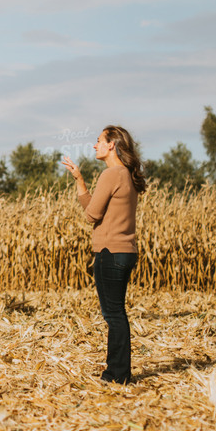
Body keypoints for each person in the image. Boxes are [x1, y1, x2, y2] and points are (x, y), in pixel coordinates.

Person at [62, 125, 147, 385]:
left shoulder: (111, 175)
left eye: (99, 140)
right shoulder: (126, 175)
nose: (94, 145)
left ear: (111, 145)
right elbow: (97, 210)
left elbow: (91, 215)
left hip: (109, 251)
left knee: (113, 315)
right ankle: (117, 371)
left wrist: (82, 186)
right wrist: (80, 182)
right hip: (126, 251)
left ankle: (117, 374)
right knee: (117, 313)